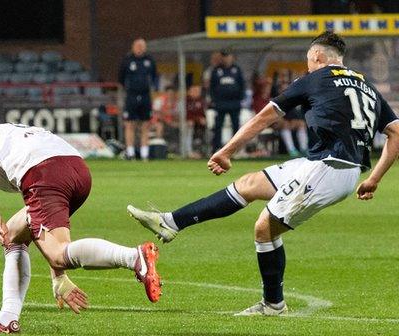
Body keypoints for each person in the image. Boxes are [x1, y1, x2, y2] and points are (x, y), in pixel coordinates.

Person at [127, 31, 399, 316]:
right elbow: (394, 133)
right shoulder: (365, 85)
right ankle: (170, 222)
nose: (308, 65)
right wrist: (373, 178)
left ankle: (273, 304)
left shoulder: (313, 79)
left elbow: (264, 117)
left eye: (308, 60)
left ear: (317, 57)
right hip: (333, 165)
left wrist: (227, 151)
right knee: (249, 184)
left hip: (327, 169)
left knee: (264, 229)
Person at [0, 114, 161, 333]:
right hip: (77, 169)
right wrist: (58, 276)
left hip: (44, 172)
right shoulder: (3, 133)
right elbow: (39, 221)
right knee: (14, 236)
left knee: (59, 253)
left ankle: (134, 257)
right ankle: (8, 318)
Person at [118, 38, 158, 161]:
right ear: (133, 47)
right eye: (138, 45)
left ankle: (144, 153)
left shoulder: (149, 60)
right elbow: (121, 78)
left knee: (145, 125)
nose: (140, 48)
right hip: (131, 96)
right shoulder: (127, 60)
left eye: (142, 46)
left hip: (145, 96)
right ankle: (130, 153)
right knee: (130, 124)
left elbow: (154, 77)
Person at [210, 51, 245, 153]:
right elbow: (212, 87)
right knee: (218, 126)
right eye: (224, 57)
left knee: (235, 126)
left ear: (232, 57)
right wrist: (214, 100)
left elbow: (242, 85)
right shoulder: (216, 70)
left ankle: (236, 149)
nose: (226, 59)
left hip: (234, 103)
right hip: (220, 103)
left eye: (228, 56)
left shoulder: (236, 69)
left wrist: (240, 98)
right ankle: (217, 148)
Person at [272, 69, 309, 157]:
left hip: (290, 119)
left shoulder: (292, 94)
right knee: (285, 125)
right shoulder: (274, 92)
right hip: (277, 120)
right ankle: (291, 150)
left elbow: (294, 113)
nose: (283, 79)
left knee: (301, 124)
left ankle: (304, 149)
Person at [185, 85, 207, 159]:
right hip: (188, 123)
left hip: (199, 124)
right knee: (189, 127)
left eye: (197, 91)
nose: (196, 93)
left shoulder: (202, 101)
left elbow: (203, 114)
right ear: (189, 92)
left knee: (206, 128)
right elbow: (184, 115)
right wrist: (194, 119)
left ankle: (204, 151)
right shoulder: (186, 101)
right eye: (194, 91)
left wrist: (202, 119)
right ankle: (189, 151)